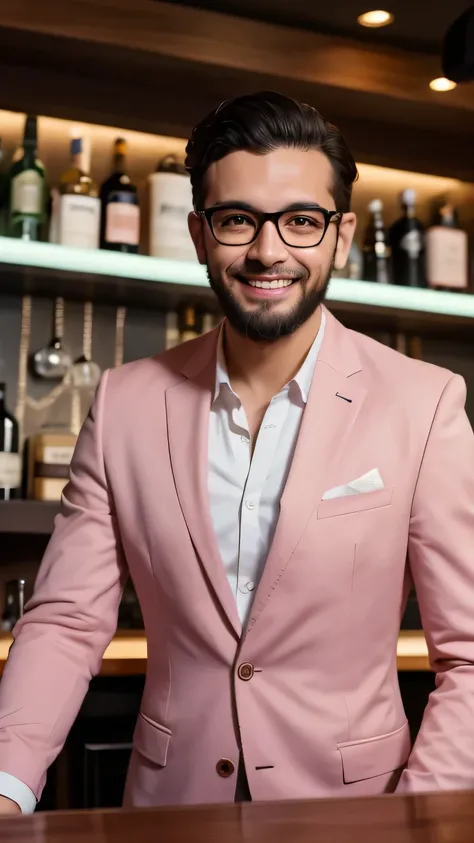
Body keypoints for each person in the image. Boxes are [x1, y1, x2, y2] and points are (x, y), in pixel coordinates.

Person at [1, 91, 474, 816]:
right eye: (237, 220)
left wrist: (414, 819)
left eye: (301, 221)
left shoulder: (425, 402)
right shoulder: (126, 401)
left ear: (341, 235)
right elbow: (66, 619)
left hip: (357, 816)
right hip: (170, 812)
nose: (267, 250)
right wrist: (6, 784)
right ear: (199, 234)